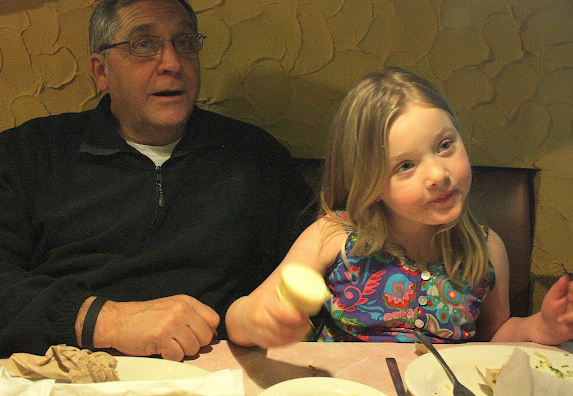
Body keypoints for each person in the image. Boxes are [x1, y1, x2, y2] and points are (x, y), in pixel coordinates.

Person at [0, 0, 314, 361]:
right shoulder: (30, 154)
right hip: (69, 370)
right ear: (101, 72)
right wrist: (103, 320)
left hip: (214, 370)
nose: (172, 63)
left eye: (184, 42)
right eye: (143, 45)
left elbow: (325, 275)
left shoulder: (258, 158)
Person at [226, 67, 573, 348]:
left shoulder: (486, 250)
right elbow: (239, 319)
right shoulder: (333, 236)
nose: (438, 175)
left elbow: (493, 339)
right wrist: (258, 320)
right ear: (370, 183)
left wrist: (540, 326)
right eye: (405, 166)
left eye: (445, 145)